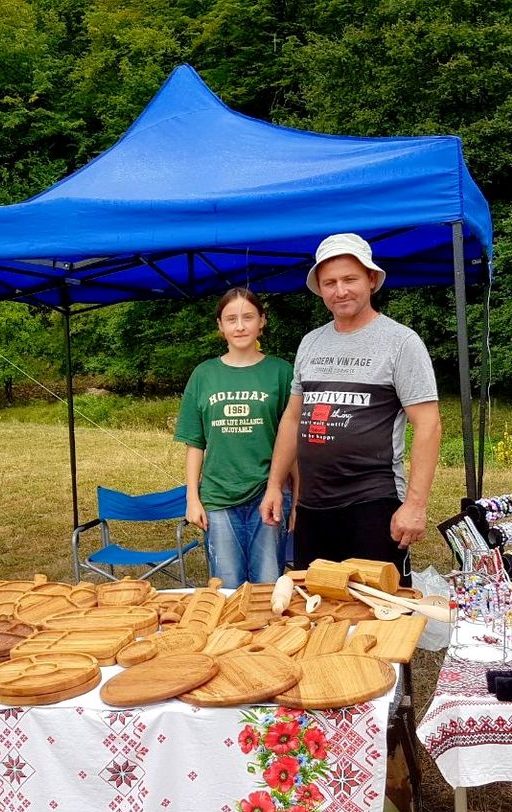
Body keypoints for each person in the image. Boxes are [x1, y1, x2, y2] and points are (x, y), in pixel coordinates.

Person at [259, 233, 441, 584]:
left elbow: (429, 424)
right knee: (317, 604)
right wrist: (274, 486)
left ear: (371, 280)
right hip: (312, 506)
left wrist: (415, 506)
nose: (340, 291)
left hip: (373, 504)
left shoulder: (401, 342)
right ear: (320, 289)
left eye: (349, 279)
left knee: (378, 610)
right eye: (330, 283)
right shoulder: (310, 343)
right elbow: (293, 419)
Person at [174, 287, 294, 588]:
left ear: (261, 321)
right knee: (226, 587)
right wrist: (192, 498)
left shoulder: (281, 372)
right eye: (231, 319)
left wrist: (299, 499)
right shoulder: (203, 375)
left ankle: (270, 637)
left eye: (248, 317)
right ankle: (229, 637)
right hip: (217, 498)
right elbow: (195, 443)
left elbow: (291, 442)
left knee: (268, 584)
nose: (240, 326)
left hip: (268, 494)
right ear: (220, 326)